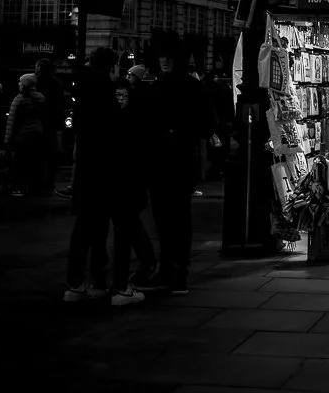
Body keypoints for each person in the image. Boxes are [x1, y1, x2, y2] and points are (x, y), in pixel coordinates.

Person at [137, 54, 217, 296]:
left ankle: (170, 268)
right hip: (180, 159)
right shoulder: (192, 87)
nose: (164, 61)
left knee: (167, 216)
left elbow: (145, 121)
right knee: (177, 216)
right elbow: (207, 124)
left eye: (168, 57)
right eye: (162, 57)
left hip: (164, 159)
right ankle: (177, 270)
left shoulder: (160, 86)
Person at [64, 48, 120, 302]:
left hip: (85, 168)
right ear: (111, 67)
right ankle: (98, 279)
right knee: (98, 230)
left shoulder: (82, 89)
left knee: (82, 228)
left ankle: (75, 283)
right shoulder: (105, 92)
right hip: (102, 167)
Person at [108, 80, 153, 307]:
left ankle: (144, 262)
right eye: (117, 95)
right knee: (127, 228)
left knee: (127, 228)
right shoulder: (124, 119)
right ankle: (124, 281)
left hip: (124, 183)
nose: (120, 99)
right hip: (124, 184)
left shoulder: (126, 119)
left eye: (123, 95)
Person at [3, 73, 47, 196]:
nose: (19, 84)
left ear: (25, 85)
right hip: (36, 134)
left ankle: (18, 188)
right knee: (33, 163)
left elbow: (12, 122)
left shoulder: (19, 100)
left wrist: (7, 140)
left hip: (21, 137)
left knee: (19, 163)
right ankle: (33, 188)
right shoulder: (40, 98)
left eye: (21, 82)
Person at [34, 58, 66, 194]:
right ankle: (48, 183)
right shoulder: (57, 84)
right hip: (51, 124)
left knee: (38, 156)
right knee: (50, 157)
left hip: (39, 123)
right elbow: (60, 105)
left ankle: (39, 183)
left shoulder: (36, 83)